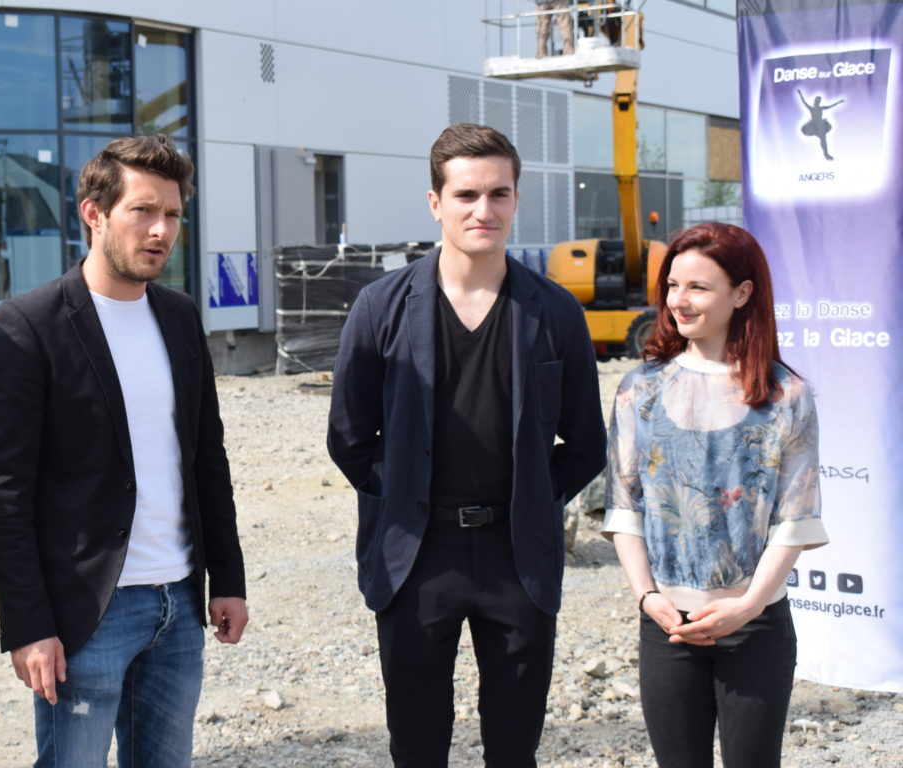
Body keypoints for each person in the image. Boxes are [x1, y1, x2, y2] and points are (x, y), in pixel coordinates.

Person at [327, 123, 607, 767]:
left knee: (514, 746)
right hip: (417, 552)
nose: (484, 209)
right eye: (466, 195)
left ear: (516, 199)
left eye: (499, 194)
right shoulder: (380, 307)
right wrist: (402, 494)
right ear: (436, 203)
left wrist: (534, 495)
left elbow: (586, 443)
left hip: (518, 552)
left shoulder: (556, 311)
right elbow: (348, 436)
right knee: (417, 744)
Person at [0, 134, 248, 768]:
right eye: (143, 210)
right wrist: (29, 624)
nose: (161, 230)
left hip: (179, 600)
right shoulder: (29, 326)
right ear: (93, 214)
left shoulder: (179, 316)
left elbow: (208, 460)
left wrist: (227, 580)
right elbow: (4, 494)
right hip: (87, 611)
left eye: (172, 214)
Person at [603, 222, 828, 768]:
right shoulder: (640, 388)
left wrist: (748, 605)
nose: (679, 300)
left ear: (742, 293)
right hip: (667, 626)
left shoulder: (786, 395)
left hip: (756, 627)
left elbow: (795, 520)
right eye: (672, 285)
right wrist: (647, 597)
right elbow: (625, 507)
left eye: (698, 287)